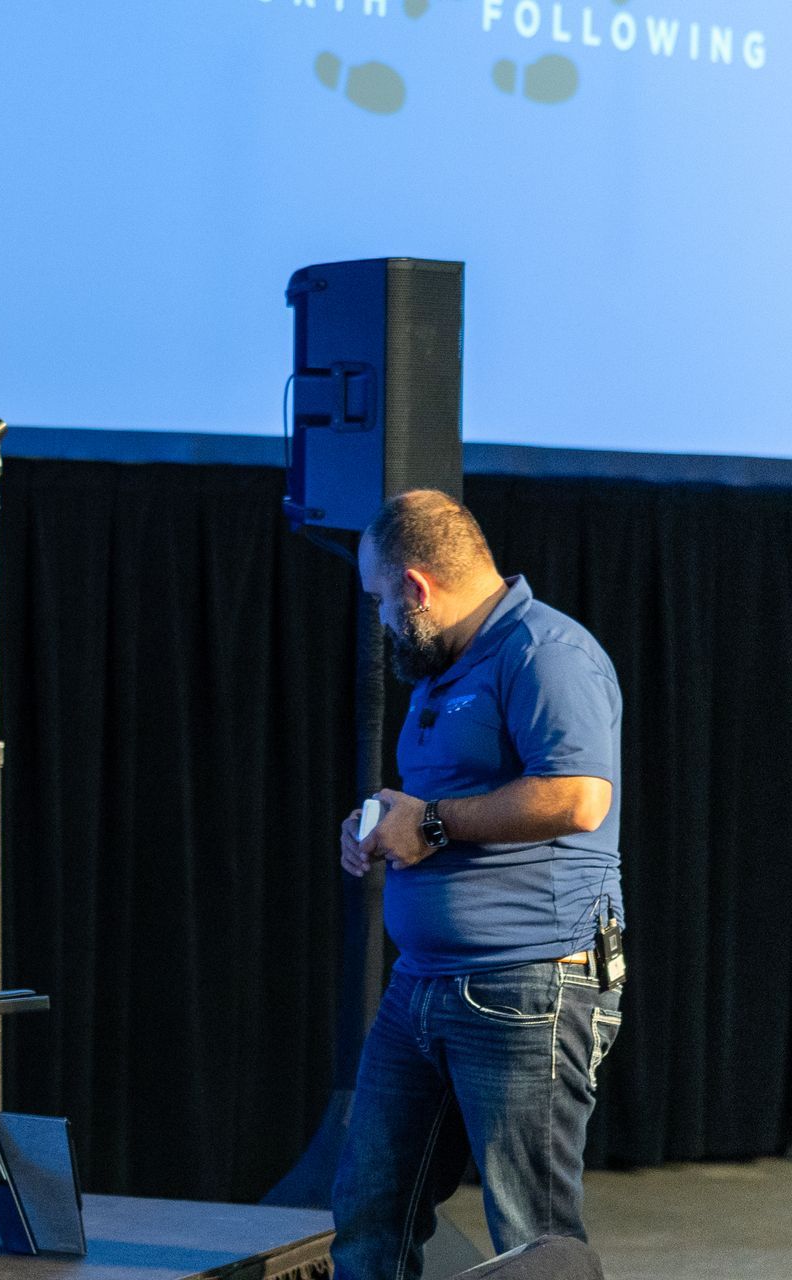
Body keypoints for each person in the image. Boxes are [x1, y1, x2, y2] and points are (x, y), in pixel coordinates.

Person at [331, 490, 626, 1278]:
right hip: (422, 985)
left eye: (380, 600)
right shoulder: (445, 666)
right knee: (368, 1216)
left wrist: (428, 825)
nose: (382, 620)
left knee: (534, 1241)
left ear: (416, 588)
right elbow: (445, 799)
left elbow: (577, 796)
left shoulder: (545, 651)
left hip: (525, 985)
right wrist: (382, 823)